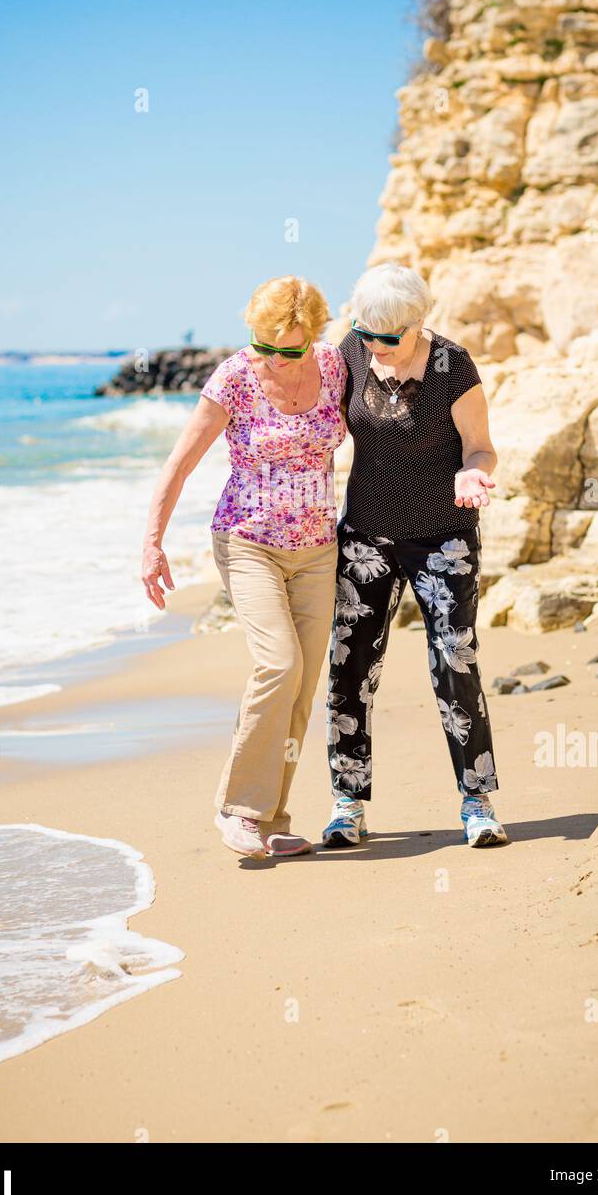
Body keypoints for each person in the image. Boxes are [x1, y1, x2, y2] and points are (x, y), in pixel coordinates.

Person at [141, 276, 347, 860]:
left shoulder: (333, 368)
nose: (277, 360)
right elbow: (179, 465)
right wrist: (152, 545)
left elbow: (383, 425)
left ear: (315, 338)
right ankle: (238, 810)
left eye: (291, 349)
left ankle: (275, 817)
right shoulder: (234, 376)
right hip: (247, 541)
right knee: (279, 664)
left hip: (316, 548)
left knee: (304, 684)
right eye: (266, 347)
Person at [322, 262, 508, 849]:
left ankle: (476, 803)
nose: (375, 345)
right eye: (366, 332)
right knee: (350, 667)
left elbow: (480, 450)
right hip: (366, 536)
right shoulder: (352, 350)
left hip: (441, 537)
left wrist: (474, 477)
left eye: (388, 337)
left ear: (418, 322)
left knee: (454, 660)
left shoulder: (454, 368)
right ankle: (347, 806)